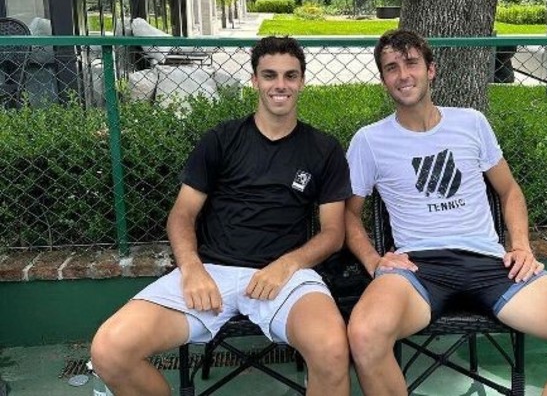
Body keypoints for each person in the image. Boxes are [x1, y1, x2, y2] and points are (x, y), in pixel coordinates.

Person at [344, 29, 547, 396]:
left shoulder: (471, 123)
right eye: (391, 68)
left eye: (412, 63)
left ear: (431, 70)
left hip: (490, 265)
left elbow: (509, 190)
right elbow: (348, 214)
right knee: (365, 334)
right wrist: (373, 261)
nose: (403, 75)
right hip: (418, 270)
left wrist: (521, 246)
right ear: (384, 78)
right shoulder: (369, 141)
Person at [91, 36, 352, 396]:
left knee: (332, 351)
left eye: (290, 76)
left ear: (302, 81)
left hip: (284, 276)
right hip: (212, 274)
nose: (280, 85)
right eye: (270, 75)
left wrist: (288, 264)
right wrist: (192, 268)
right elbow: (181, 215)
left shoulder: (324, 148)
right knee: (110, 350)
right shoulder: (221, 139)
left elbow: (333, 233)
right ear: (254, 81)